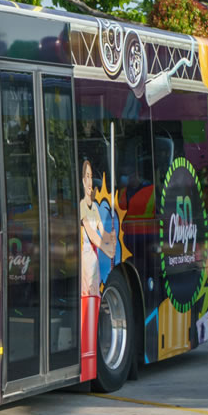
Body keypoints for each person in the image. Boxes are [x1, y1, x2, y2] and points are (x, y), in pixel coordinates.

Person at [79, 158, 119, 376]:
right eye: (85, 176)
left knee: (93, 311)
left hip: (94, 266)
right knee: (86, 310)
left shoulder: (94, 207)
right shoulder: (82, 208)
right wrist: (106, 245)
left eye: (90, 176)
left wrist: (110, 242)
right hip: (85, 266)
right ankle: (85, 362)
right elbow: (94, 237)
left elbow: (102, 235)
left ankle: (90, 362)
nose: (88, 180)